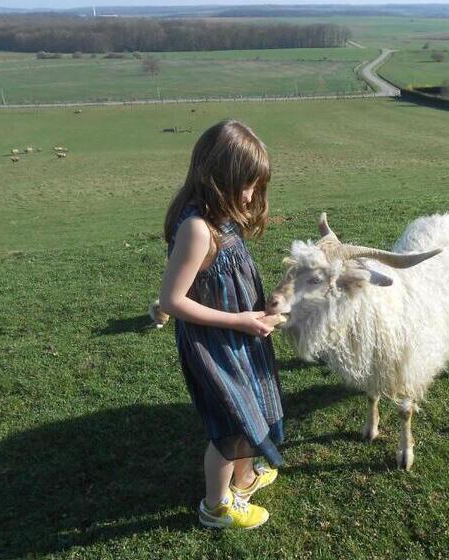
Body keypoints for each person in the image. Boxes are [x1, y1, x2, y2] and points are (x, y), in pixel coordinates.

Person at [159, 120, 284, 530]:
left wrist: (264, 306)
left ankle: (244, 480)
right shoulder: (197, 229)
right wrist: (239, 320)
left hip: (241, 335)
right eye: (244, 185)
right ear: (216, 177)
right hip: (215, 346)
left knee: (252, 412)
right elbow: (171, 301)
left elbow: (232, 278)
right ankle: (215, 507)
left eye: (255, 186)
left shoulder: (225, 217)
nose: (250, 195)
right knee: (230, 427)